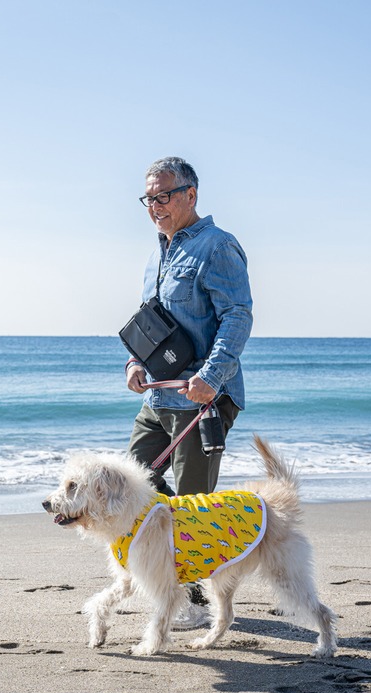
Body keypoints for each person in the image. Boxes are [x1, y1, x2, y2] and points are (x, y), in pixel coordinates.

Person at [124, 156, 254, 628]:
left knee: (193, 505)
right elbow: (151, 324)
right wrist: (136, 363)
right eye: (149, 198)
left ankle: (198, 604)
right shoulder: (158, 252)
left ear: (190, 195)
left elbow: (238, 315)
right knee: (135, 486)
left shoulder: (217, 247)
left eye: (163, 196)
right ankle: (173, 583)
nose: (155, 206)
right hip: (157, 397)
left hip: (202, 399)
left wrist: (212, 378)